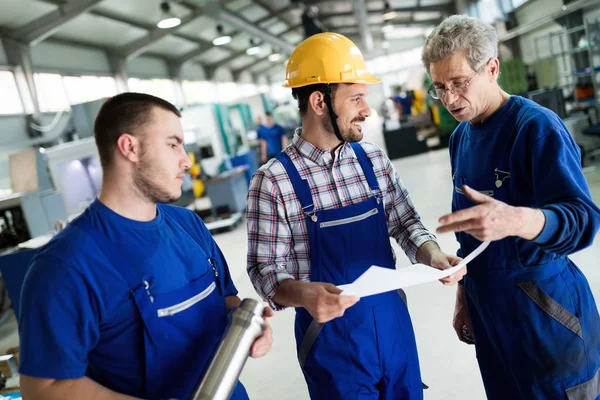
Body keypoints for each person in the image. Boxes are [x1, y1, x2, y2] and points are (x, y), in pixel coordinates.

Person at [246, 32, 466, 400]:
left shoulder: (373, 160)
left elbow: (405, 221)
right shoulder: (273, 181)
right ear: (319, 101)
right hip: (330, 341)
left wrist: (432, 254)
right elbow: (264, 270)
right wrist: (303, 293)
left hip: (393, 327)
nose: (367, 109)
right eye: (357, 98)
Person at [18, 93, 273, 400]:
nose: (185, 160)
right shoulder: (66, 264)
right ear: (130, 148)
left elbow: (226, 300)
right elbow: (42, 388)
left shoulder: (187, 225)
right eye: (172, 144)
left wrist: (249, 327)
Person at [422, 15, 600, 399]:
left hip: (546, 315)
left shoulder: (536, 128)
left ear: (492, 68)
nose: (449, 99)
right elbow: (471, 240)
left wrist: (519, 219)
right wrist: (465, 296)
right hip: (491, 317)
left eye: (459, 83)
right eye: (439, 88)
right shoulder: (461, 139)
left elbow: (584, 221)